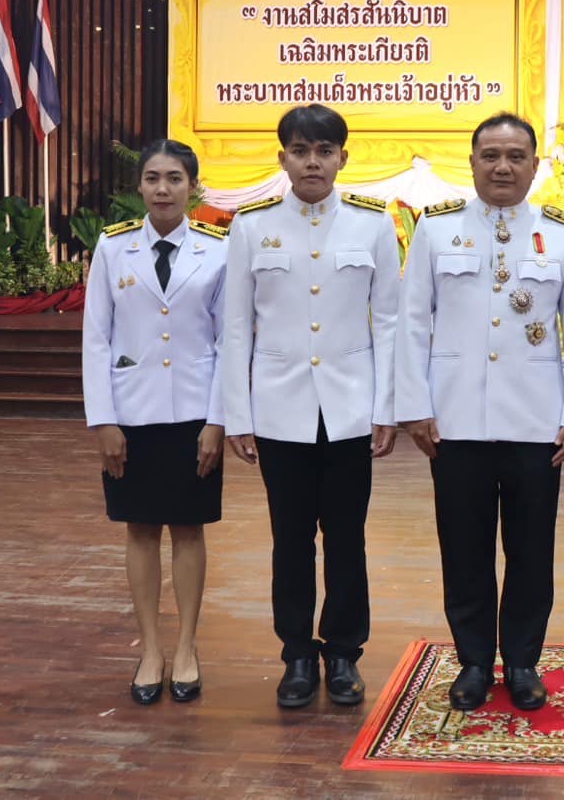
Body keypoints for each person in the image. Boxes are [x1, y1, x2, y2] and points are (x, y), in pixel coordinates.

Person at [395, 113, 564, 712]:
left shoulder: (560, 234)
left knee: (532, 549)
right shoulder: (436, 230)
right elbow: (412, 322)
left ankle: (524, 660)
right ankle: (475, 660)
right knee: (465, 545)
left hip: (536, 419)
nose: (503, 167)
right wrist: (415, 406)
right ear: (473, 161)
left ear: (535, 164)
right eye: (490, 156)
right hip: (456, 420)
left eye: (515, 156)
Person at [219, 104, 401, 709]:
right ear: (284, 160)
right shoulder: (250, 227)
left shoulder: (372, 225)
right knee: (289, 538)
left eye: (324, 151)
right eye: (301, 151)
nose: (313, 162)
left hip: (349, 409)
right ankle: (297, 653)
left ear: (343, 159)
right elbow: (237, 327)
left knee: (347, 538)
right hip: (279, 410)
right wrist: (237, 416)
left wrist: (386, 407)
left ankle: (344, 652)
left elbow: (390, 321)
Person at [81, 139, 228, 705]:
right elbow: (96, 339)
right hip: (132, 415)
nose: (162, 189)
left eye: (173, 178)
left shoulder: (217, 250)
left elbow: (227, 340)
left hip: (194, 413)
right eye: (152, 178)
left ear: (192, 186)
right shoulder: (115, 248)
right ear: (140, 187)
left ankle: (187, 646)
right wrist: (104, 421)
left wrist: (218, 420)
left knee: (189, 530)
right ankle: (149, 649)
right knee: (139, 530)